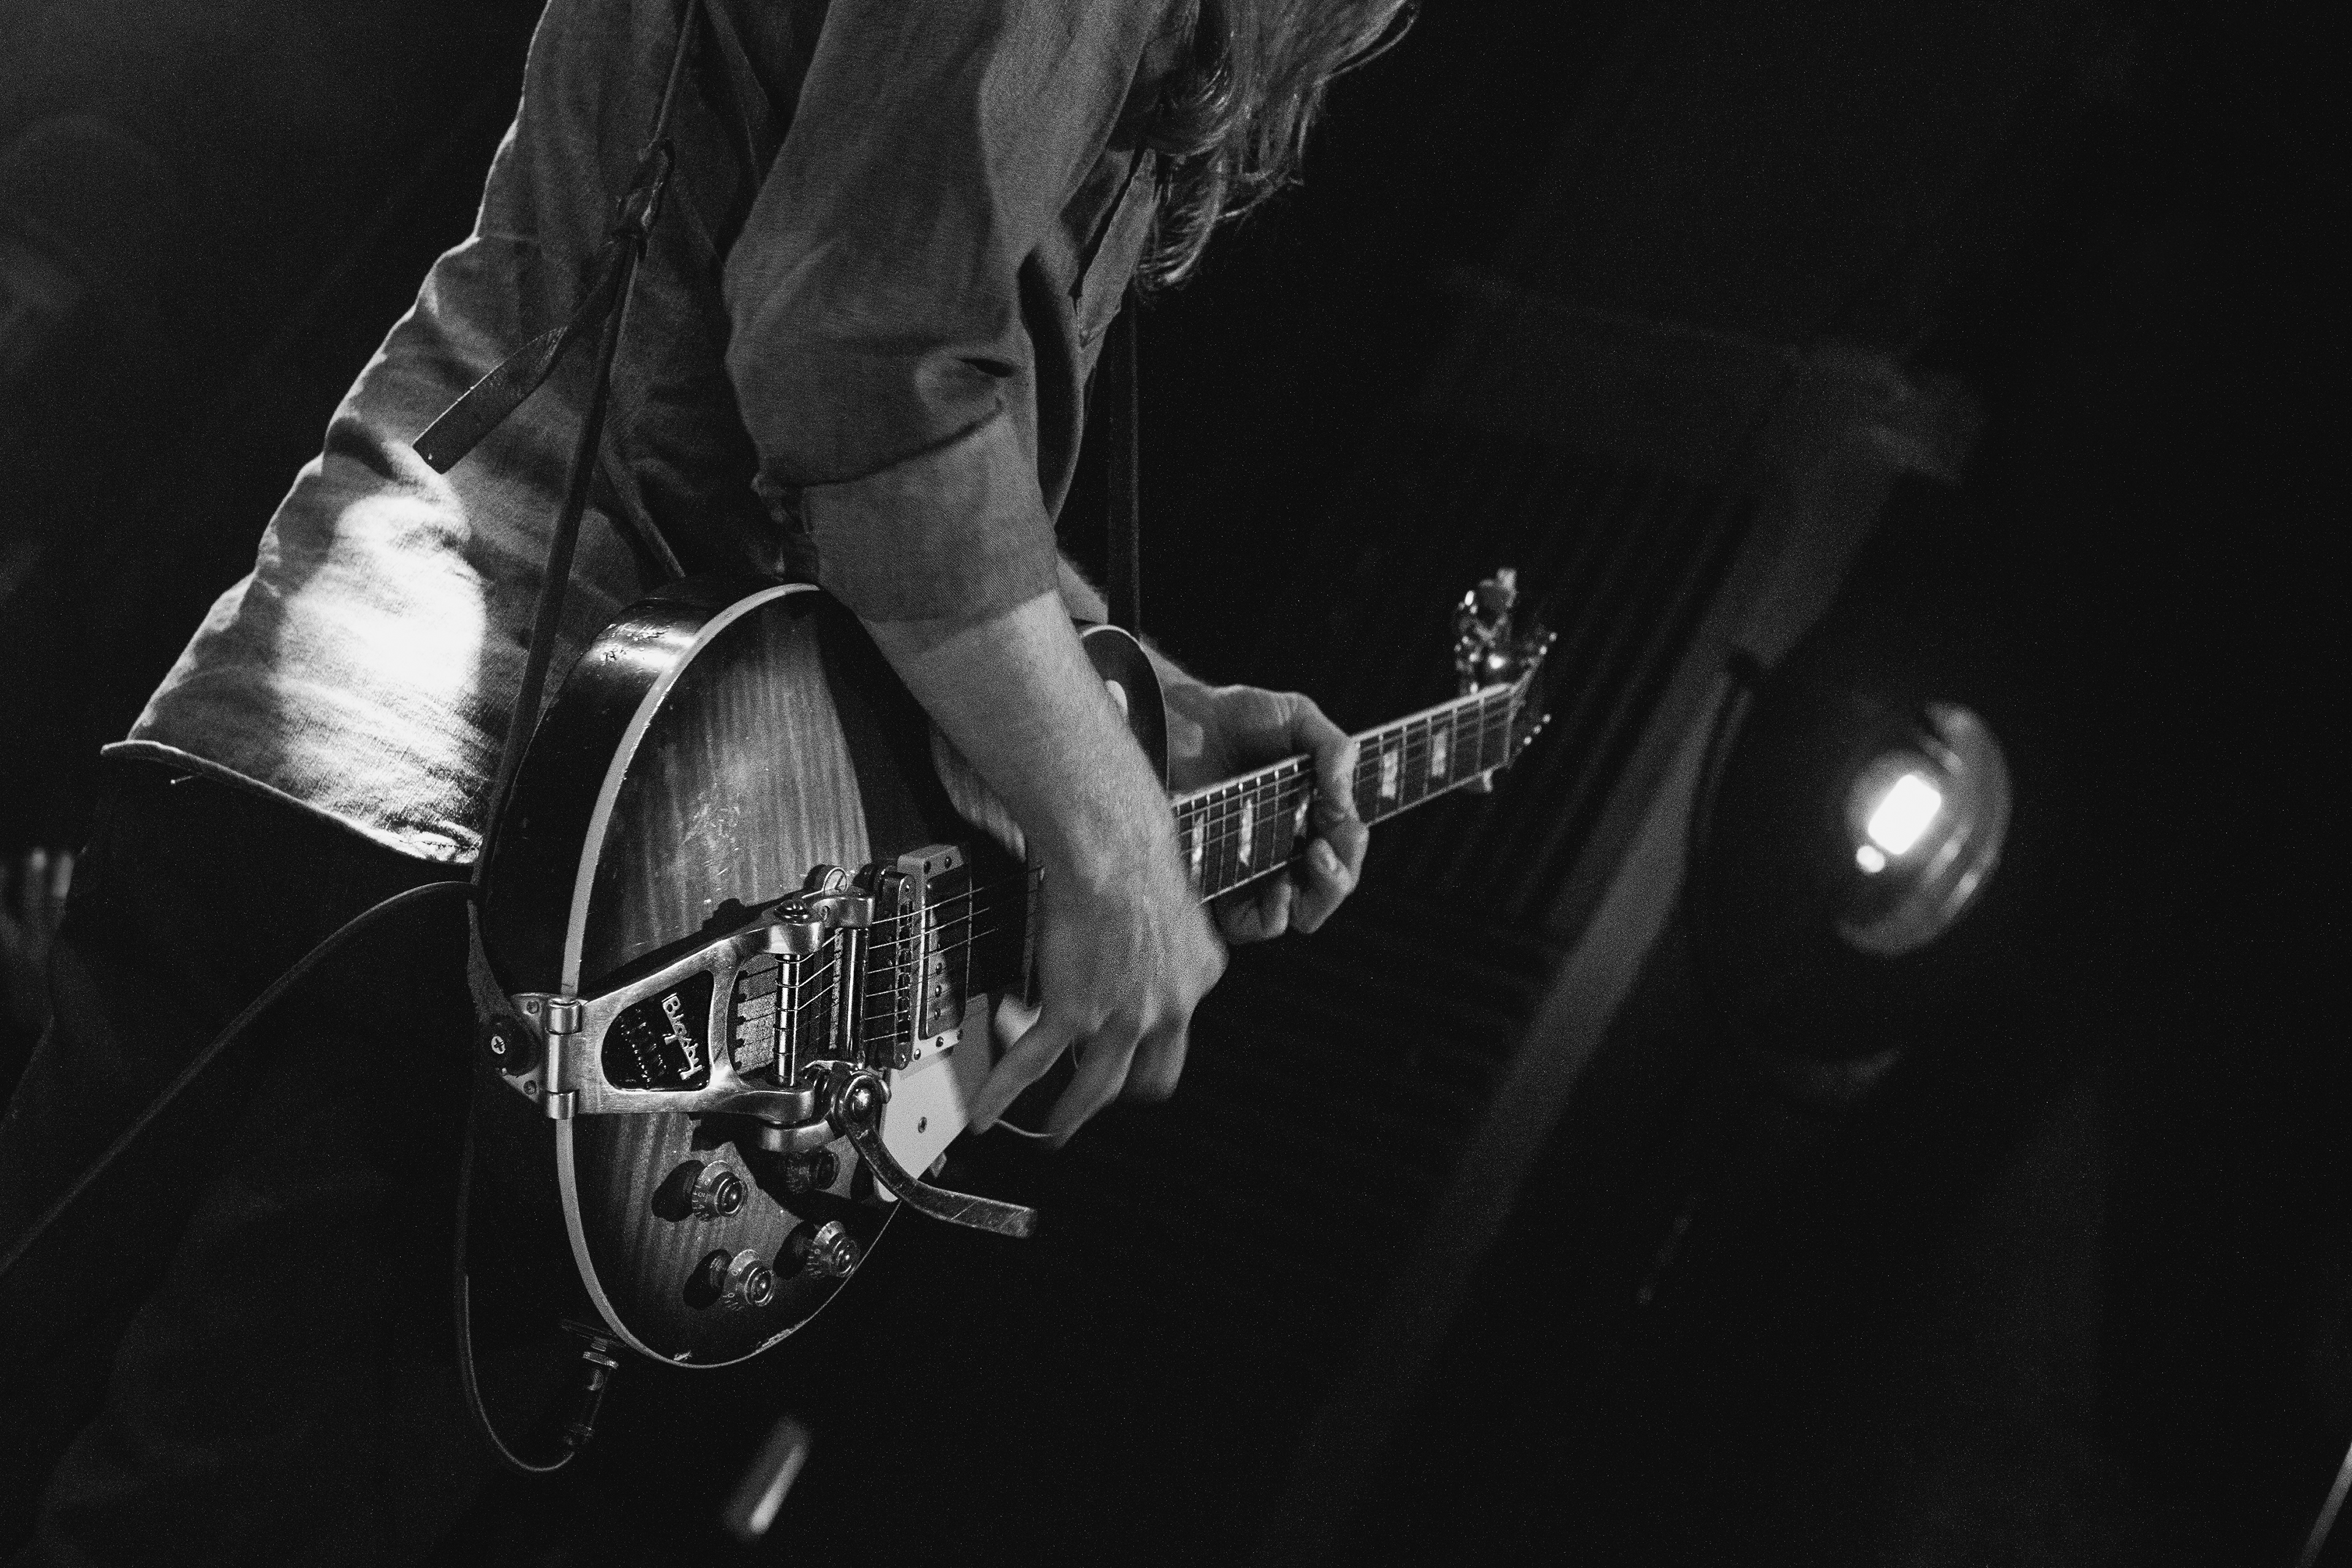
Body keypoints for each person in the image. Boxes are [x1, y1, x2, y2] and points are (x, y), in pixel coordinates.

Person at [0, 0, 1406, 1559]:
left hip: (300, 731)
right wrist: (1111, 832)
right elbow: (866, 368)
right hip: (551, 878)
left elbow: (834, 371)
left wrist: (1149, 713)